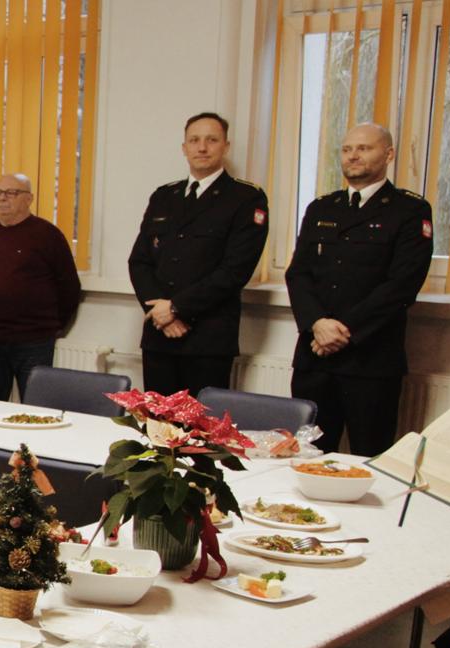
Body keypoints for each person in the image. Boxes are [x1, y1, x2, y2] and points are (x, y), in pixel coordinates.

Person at [285, 123, 432, 455]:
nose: (353, 155)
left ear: (389, 154)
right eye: (347, 149)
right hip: (314, 356)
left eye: (364, 148)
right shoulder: (322, 208)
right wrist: (317, 324)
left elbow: (402, 285)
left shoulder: (409, 210)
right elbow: (298, 274)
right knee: (306, 456)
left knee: (369, 455)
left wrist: (342, 331)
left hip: (370, 359)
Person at [129, 112, 269, 395]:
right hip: (159, 335)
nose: (202, 147)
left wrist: (175, 308)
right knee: (156, 420)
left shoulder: (245, 198)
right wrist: (160, 314)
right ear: (184, 148)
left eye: (211, 140)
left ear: (226, 146)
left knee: (202, 422)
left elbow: (235, 270)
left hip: (207, 339)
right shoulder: (164, 196)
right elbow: (140, 261)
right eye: (194, 140)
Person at [0, 174, 82, 401]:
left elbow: (69, 287)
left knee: (35, 406)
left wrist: (53, 326)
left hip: (34, 340)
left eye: (11, 193)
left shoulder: (47, 235)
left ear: (29, 199)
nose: (2, 198)